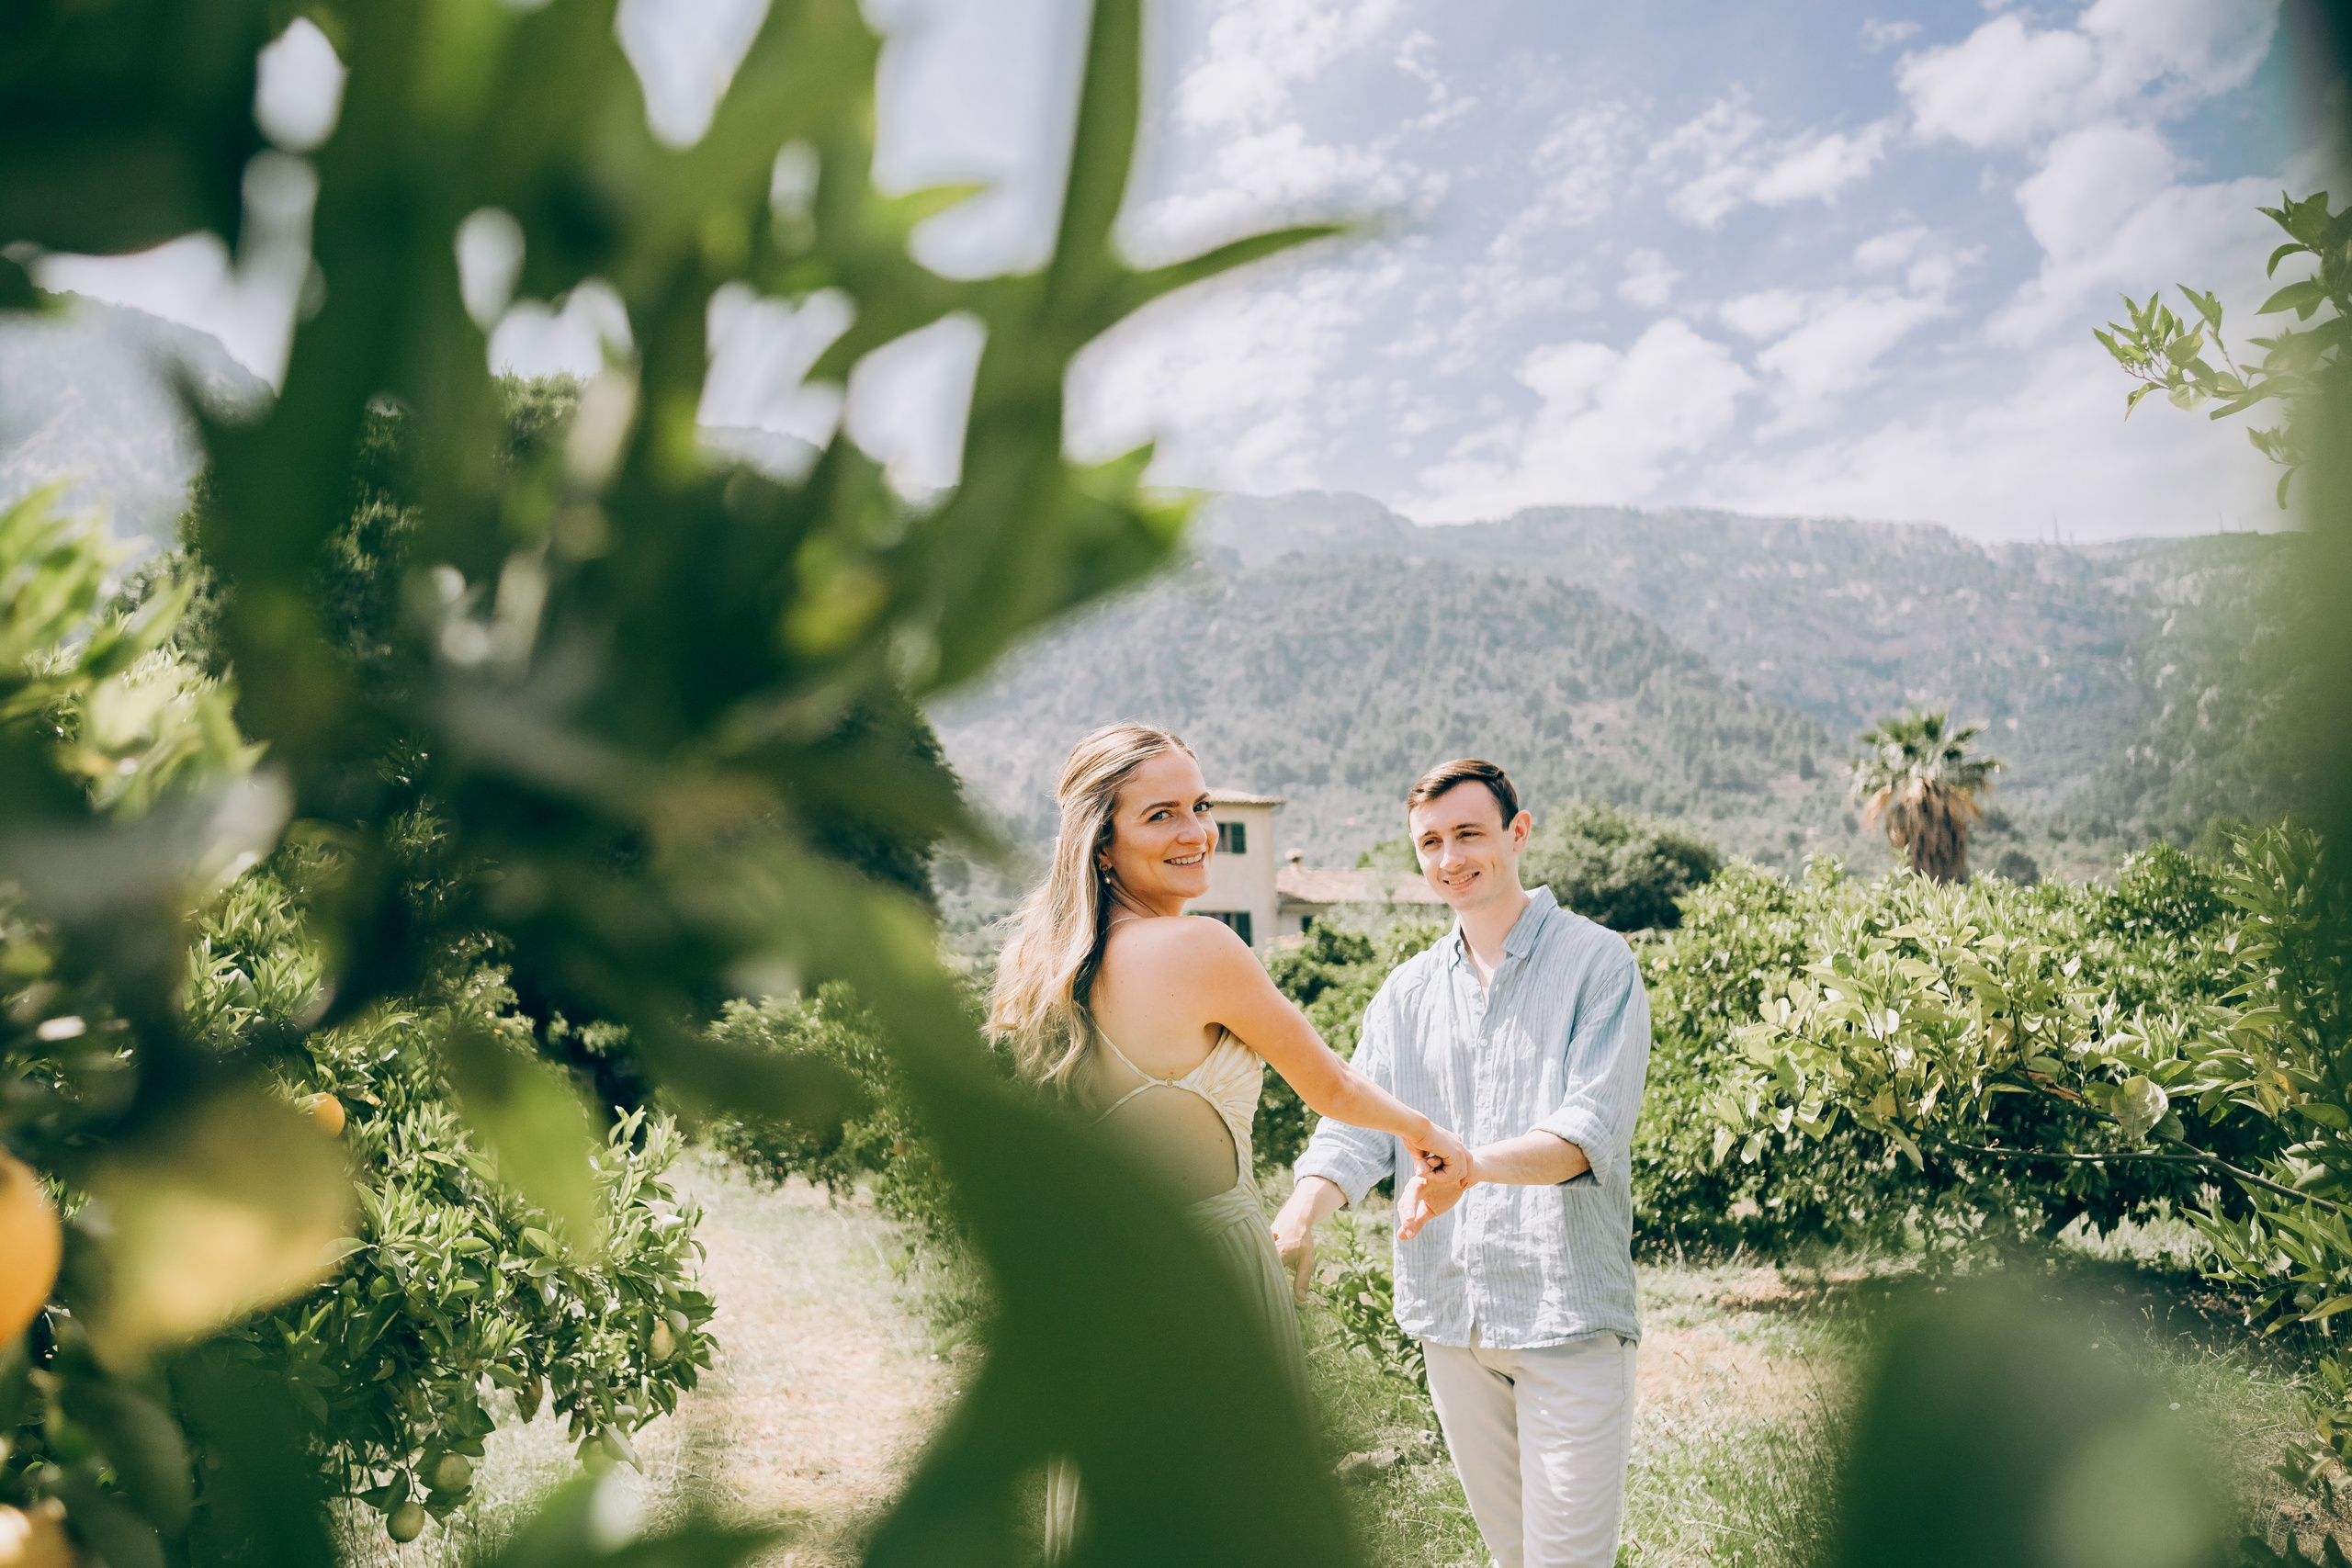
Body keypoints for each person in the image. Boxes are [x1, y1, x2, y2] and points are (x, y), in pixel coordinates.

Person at [989, 722, 1470, 1558]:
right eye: (1162, 815)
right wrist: (1426, 1134)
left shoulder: (1043, 960)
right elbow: (1330, 1085)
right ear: (1103, 844)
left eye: (1202, 806)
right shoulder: (1200, 946)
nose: (1197, 832)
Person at [1270, 759, 1651, 1568]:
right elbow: (1355, 1129)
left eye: (1468, 833)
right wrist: (1301, 1212)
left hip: (1567, 1313)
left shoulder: (1598, 962)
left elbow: (1588, 1132)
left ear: (1517, 833)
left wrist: (1472, 1166)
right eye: (1430, 841)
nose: (1450, 858)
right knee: (1512, 1558)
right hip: (1451, 1316)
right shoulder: (1404, 993)